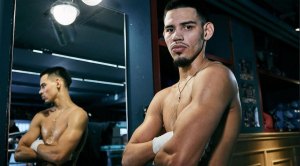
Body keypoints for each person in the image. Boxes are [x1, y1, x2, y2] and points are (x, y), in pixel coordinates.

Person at [122, 0, 242, 165]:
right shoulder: (162, 97)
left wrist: (155, 151)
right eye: (170, 29)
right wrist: (166, 142)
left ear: (206, 31)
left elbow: (176, 161)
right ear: (164, 34)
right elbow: (128, 158)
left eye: (188, 27)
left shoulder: (217, 75)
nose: (177, 36)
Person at [15, 66, 88, 165]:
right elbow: (18, 153)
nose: (40, 91)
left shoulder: (77, 114)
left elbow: (58, 156)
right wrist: (49, 155)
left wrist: (35, 144)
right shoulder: (40, 116)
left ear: (58, 83)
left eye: (43, 86)